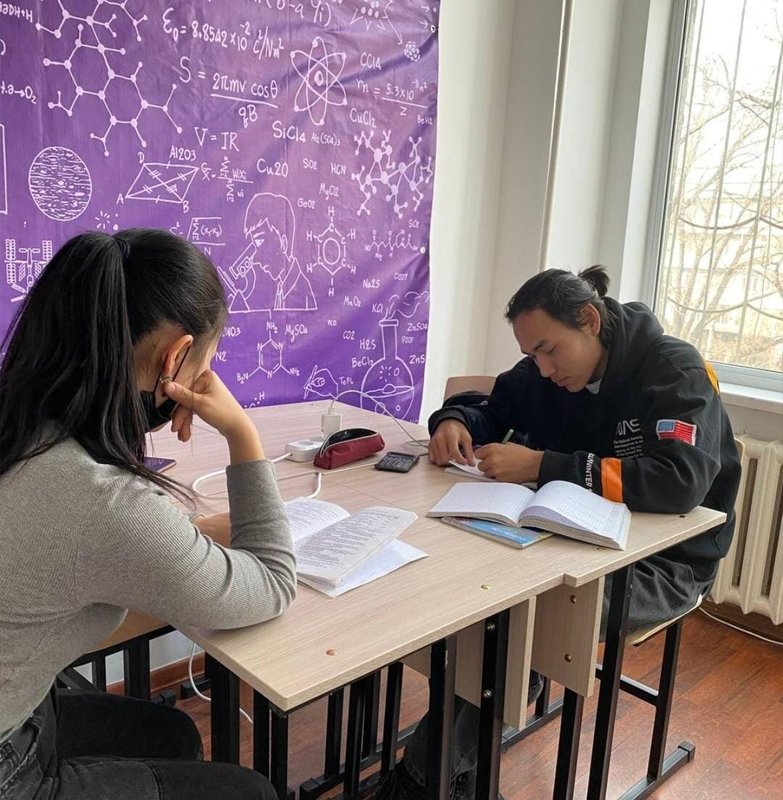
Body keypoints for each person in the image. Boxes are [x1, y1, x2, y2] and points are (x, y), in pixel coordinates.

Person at [379, 265, 741, 800]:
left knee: (525, 622)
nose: (543, 369)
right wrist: (453, 420)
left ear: (590, 320)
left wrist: (545, 465)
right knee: (477, 605)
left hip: (664, 562)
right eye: (532, 355)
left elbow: (680, 481)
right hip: (568, 540)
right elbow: (492, 407)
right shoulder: (544, 371)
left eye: (549, 350)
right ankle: (451, 775)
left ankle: (423, 779)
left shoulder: (674, 370)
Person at [0, 229, 297, 800]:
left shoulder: (24, 424)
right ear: (175, 357)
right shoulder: (101, 501)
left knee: (173, 735)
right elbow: (274, 581)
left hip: (23, 702)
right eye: (206, 363)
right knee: (250, 793)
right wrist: (242, 432)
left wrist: (185, 538)